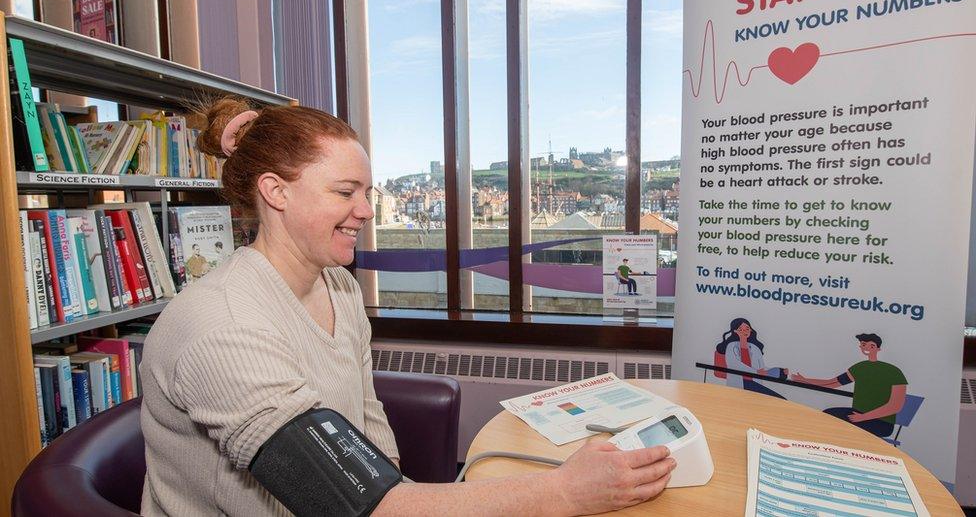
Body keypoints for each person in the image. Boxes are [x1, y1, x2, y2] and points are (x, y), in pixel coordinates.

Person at [139, 98, 676, 516]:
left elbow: (366, 421)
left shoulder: (340, 288)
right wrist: (562, 492)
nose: (367, 211)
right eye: (346, 192)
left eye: (368, 192)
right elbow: (349, 504)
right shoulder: (221, 327)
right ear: (276, 192)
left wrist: (395, 491)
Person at [791, 333, 907, 438]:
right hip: (857, 414)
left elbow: (895, 406)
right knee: (828, 415)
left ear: (877, 348)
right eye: (863, 345)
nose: (865, 348)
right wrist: (805, 380)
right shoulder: (860, 367)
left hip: (881, 423)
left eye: (870, 345)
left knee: (831, 420)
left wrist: (864, 417)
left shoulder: (894, 372)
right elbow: (832, 383)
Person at [714, 318, 786, 399]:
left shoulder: (755, 348)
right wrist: (756, 372)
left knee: (780, 400)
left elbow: (762, 367)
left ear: (751, 330)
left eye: (747, 329)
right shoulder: (731, 346)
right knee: (778, 400)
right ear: (735, 331)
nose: (744, 331)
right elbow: (734, 364)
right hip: (740, 383)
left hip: (753, 382)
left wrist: (779, 371)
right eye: (740, 329)